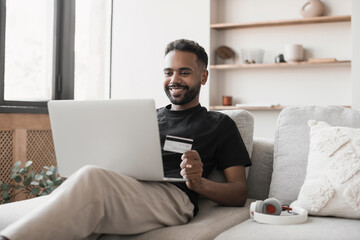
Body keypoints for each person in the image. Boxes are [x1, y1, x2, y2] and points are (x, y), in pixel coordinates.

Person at [0, 39, 251, 240]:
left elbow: (239, 194)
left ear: (203, 77)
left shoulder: (219, 124)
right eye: (168, 72)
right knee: (89, 178)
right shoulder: (143, 117)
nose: (174, 80)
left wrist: (199, 184)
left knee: (91, 177)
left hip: (174, 197)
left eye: (184, 72)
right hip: (127, 186)